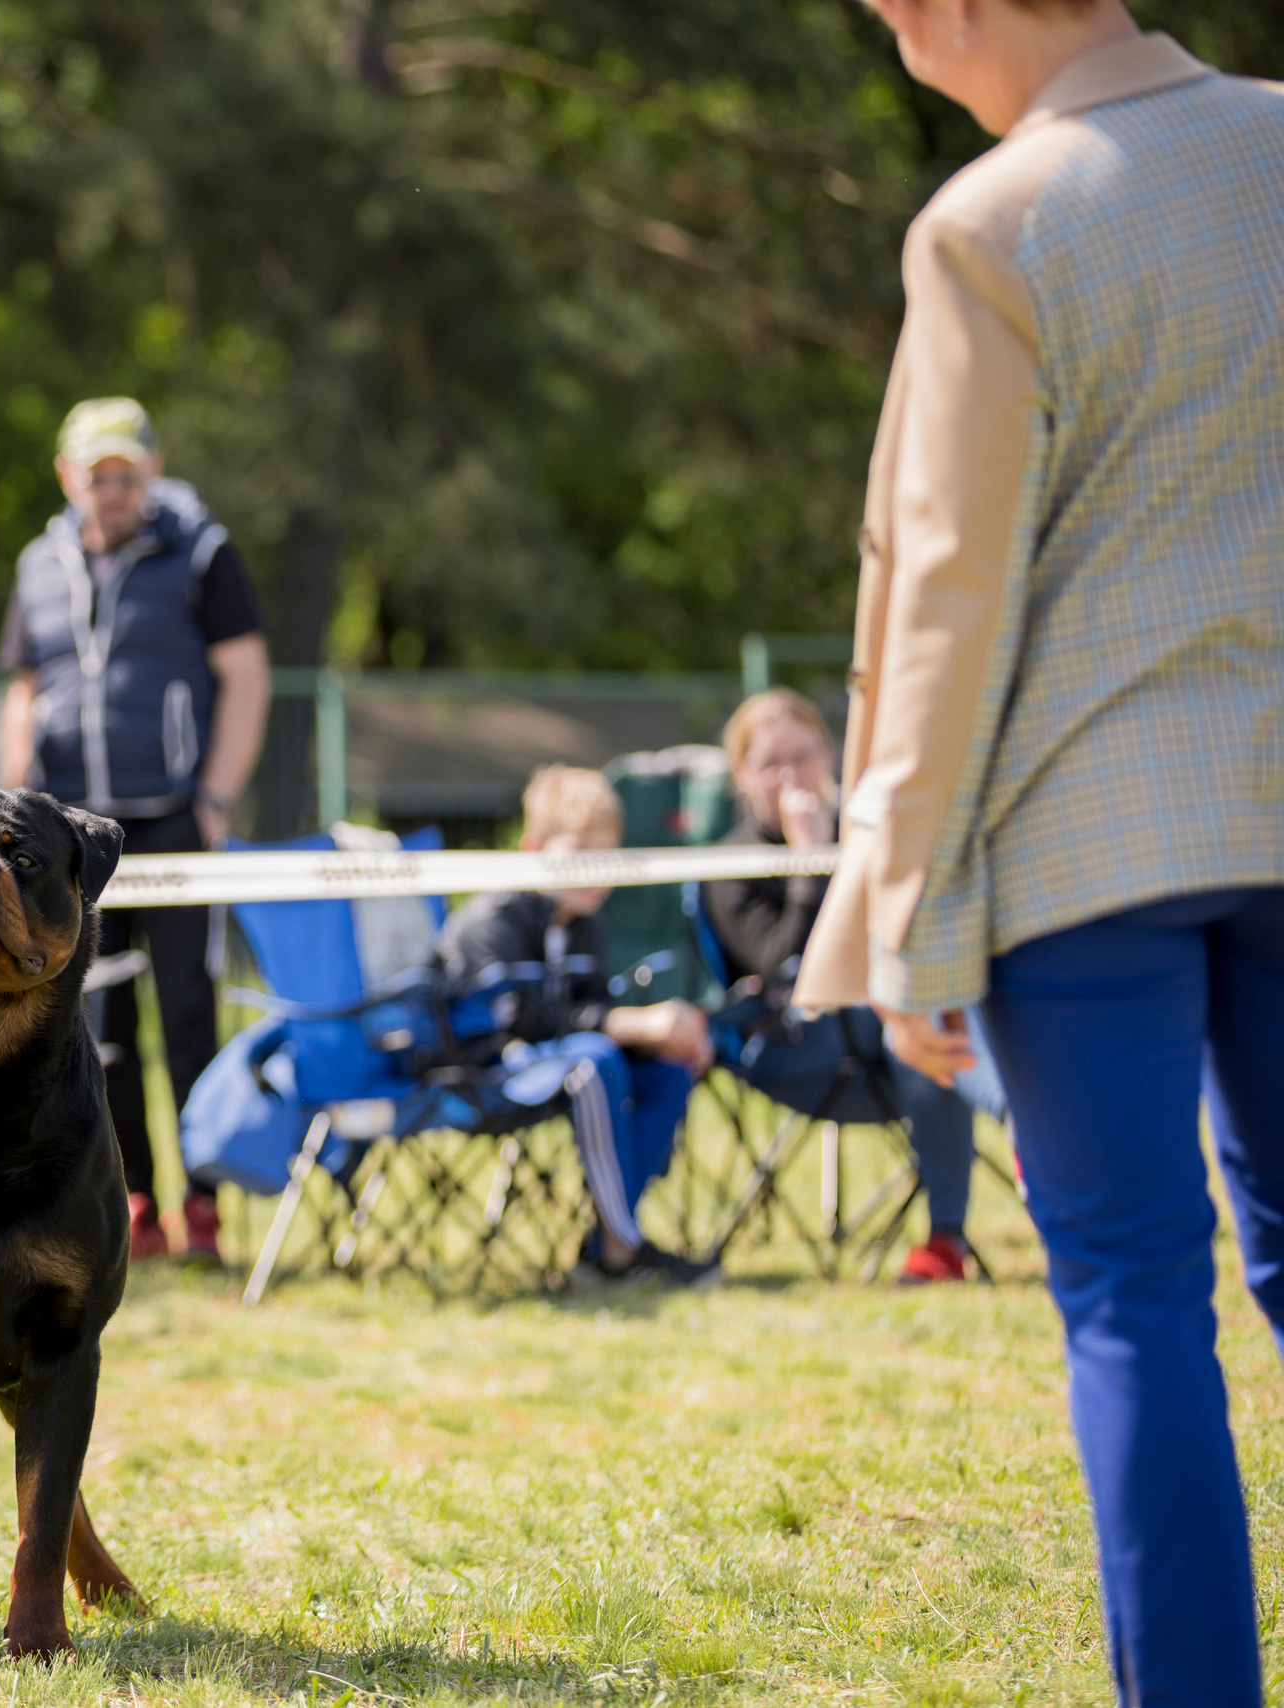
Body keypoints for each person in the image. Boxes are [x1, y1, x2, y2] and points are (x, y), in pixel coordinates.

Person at [798, 6, 1284, 1700]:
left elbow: (947, 600)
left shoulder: (993, 224)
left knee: (1139, 1302)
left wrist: (897, 914)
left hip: (1089, 840)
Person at [0, 397, 269, 1262]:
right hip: (75, 833)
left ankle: (205, 1205)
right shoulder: (38, 562)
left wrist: (217, 793)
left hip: (176, 818)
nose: (111, 490)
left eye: (126, 474)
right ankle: (134, 1202)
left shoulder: (202, 554)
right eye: (95, 475)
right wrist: (16, 804)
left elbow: (246, 676)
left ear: (151, 472)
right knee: (97, 1022)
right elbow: (26, 685)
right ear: (67, 478)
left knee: (188, 1012)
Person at [703, 689, 1006, 1284]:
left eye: (805, 756)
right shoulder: (729, 863)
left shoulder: (871, 833)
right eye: (771, 763)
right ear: (742, 775)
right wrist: (811, 857)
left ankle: (947, 1241)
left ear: (833, 755)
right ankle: (1023, 1123)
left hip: (899, 1034)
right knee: (917, 1011)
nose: (791, 776)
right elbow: (782, 962)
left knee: (919, 1029)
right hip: (793, 1044)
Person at [440, 766, 717, 1284]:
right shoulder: (492, 920)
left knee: (666, 1068)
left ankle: (607, 1242)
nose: (597, 873)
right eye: (581, 854)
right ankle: (622, 1249)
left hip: (559, 1067)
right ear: (534, 848)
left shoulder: (587, 921)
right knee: (596, 1060)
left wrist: (660, 1034)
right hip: (481, 1072)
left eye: (607, 856)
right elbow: (517, 1020)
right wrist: (632, 1023)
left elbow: (589, 1008)